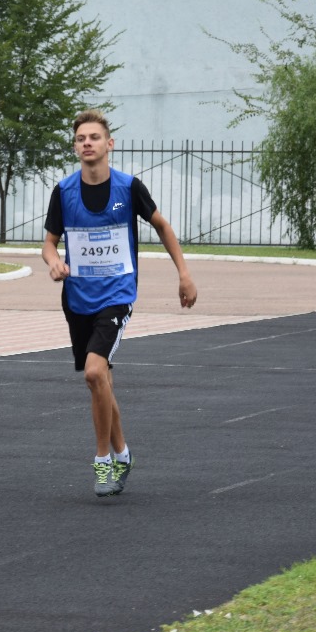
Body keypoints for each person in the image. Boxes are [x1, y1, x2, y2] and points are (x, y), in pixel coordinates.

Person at [41, 109, 198, 498]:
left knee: (94, 374)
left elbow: (162, 225)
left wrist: (184, 274)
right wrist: (54, 262)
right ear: (75, 146)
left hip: (117, 296)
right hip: (78, 299)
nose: (87, 143)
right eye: (81, 139)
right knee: (102, 383)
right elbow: (48, 243)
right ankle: (123, 453)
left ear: (109, 144)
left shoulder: (128, 189)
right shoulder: (64, 191)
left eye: (94, 137)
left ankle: (102, 461)